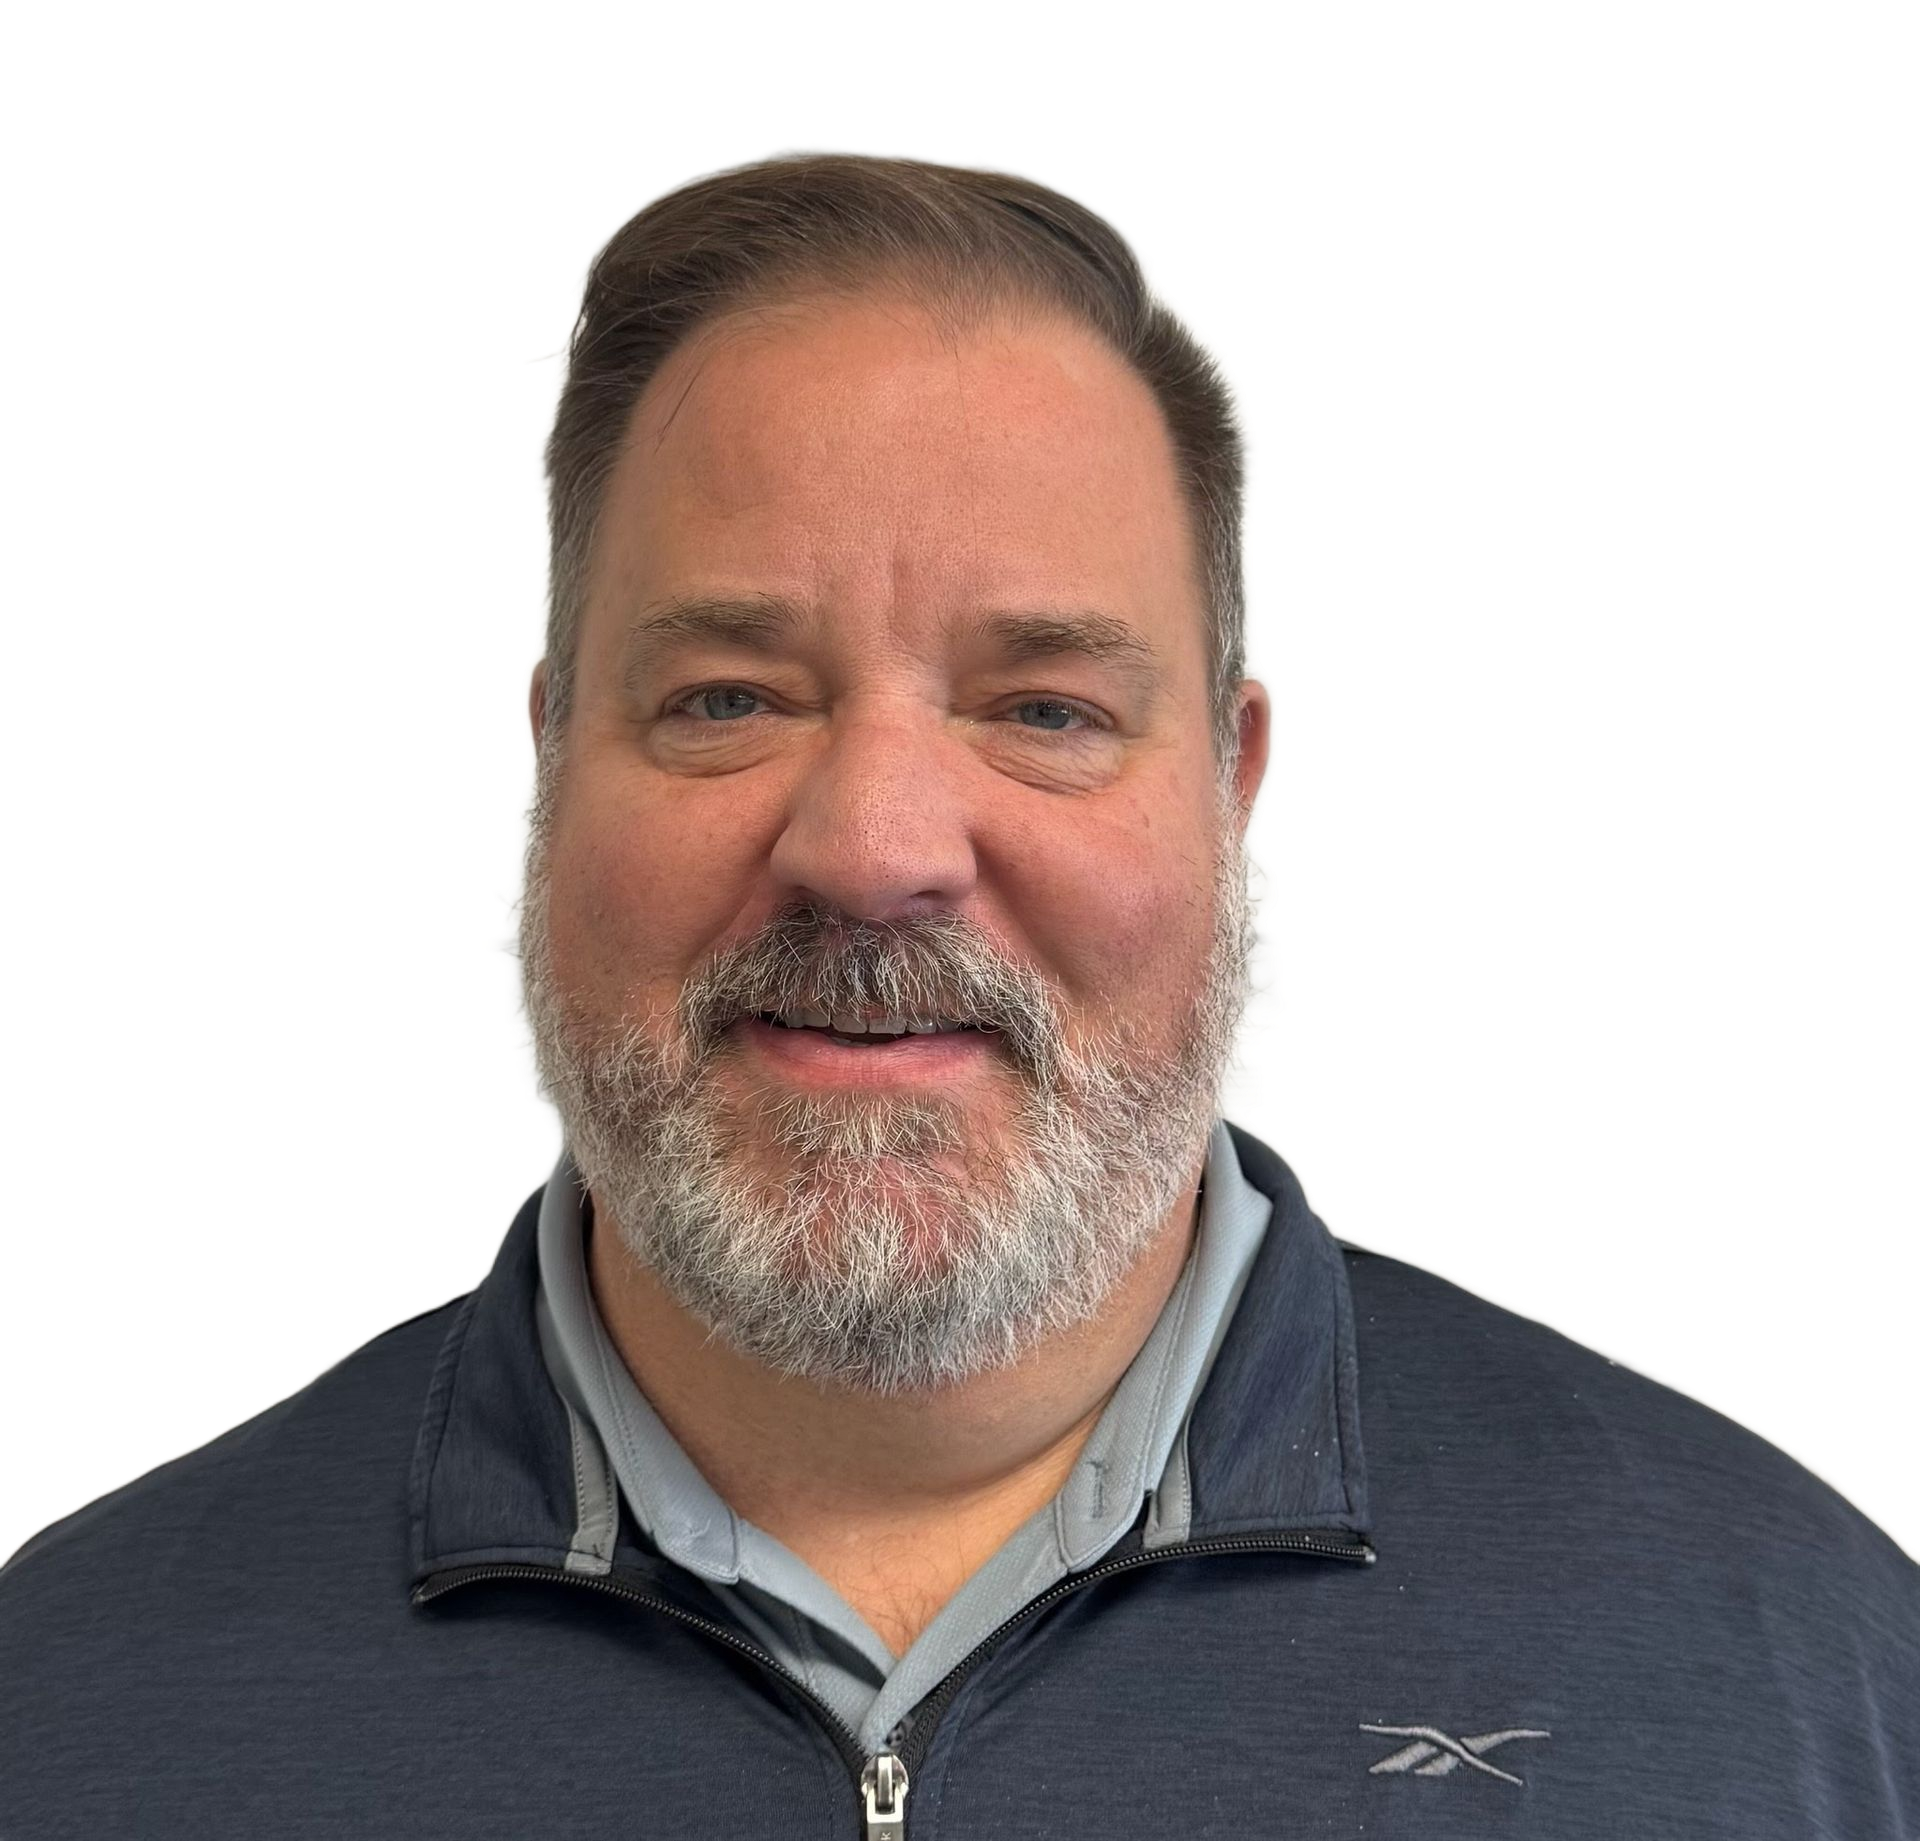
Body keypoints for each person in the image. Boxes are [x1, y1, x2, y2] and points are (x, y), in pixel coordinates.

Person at [3, 145, 1913, 1839]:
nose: (874, 842)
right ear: (548, 755)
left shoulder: (1817, 1674)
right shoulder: (61, 1714)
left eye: (1044, 710)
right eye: (729, 696)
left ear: (1236, 784)